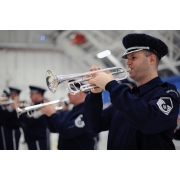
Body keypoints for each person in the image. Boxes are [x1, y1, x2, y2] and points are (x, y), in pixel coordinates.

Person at [83, 33, 180, 150]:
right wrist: (95, 93)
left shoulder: (167, 92)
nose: (128, 62)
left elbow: (149, 122)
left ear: (152, 59)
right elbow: (93, 126)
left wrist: (111, 85)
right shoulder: (126, 97)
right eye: (127, 58)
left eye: (133, 57)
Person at [41, 82, 98, 150]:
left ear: (80, 93)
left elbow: (67, 131)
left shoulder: (87, 112)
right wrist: (48, 115)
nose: (68, 94)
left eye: (71, 91)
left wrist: (53, 114)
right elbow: (55, 129)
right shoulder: (74, 110)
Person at [19, 85, 50, 150]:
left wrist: (22, 114)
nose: (30, 96)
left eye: (32, 93)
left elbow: (29, 120)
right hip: (31, 138)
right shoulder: (33, 105)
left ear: (39, 94)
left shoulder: (44, 105)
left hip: (38, 139)